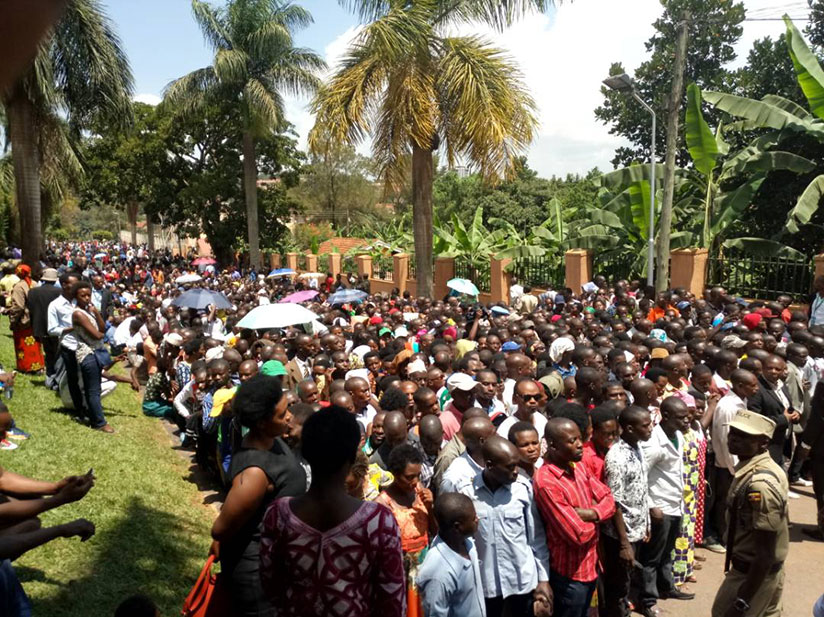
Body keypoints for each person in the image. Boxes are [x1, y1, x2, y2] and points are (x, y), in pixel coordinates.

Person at [260, 406, 405, 617]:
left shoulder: (278, 515)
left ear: (306, 453)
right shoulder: (379, 522)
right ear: (352, 457)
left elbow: (270, 585)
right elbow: (392, 602)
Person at [211, 375, 306, 617]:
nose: (289, 417)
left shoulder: (271, 440)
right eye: (282, 415)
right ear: (262, 423)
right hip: (257, 579)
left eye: (288, 409)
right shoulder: (254, 474)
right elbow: (220, 530)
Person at [456, 436, 551, 617]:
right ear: (490, 465)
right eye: (510, 467)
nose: (516, 471)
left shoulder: (523, 489)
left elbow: (536, 538)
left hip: (521, 582)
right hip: (486, 585)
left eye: (517, 465)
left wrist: (543, 579)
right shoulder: (467, 493)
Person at [533, 418, 615, 617]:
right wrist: (600, 519)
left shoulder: (578, 467)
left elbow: (609, 498)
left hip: (591, 565)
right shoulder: (547, 481)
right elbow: (578, 534)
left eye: (580, 438)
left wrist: (591, 513)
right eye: (572, 441)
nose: (580, 445)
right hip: (570, 576)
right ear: (553, 445)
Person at [711, 411, 788, 617]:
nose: (733, 439)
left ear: (763, 443)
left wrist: (742, 601)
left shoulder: (759, 485)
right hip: (761, 574)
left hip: (751, 576)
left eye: (744, 436)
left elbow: (765, 554)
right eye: (733, 433)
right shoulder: (759, 468)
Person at [637, 396, 693, 616]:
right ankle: (648, 600)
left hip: (675, 503)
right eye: (681, 417)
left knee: (668, 552)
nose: (686, 421)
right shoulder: (653, 443)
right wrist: (651, 505)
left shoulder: (677, 435)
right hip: (660, 507)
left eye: (687, 416)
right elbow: (642, 475)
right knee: (652, 557)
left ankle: (666, 586)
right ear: (666, 416)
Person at [602, 406, 653, 617]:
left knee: (628, 581)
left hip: (636, 530)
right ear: (630, 428)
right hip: (621, 536)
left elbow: (640, 489)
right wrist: (624, 544)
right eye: (646, 425)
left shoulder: (637, 448)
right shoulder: (617, 458)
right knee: (618, 586)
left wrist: (646, 523)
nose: (650, 428)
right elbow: (614, 503)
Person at [376, 444, 436, 617]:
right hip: (399, 574)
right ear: (395, 474)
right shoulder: (382, 504)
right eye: (409, 477)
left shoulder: (420, 493)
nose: (415, 481)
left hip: (425, 568)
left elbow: (434, 531)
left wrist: (430, 508)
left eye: (418, 475)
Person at [708, 369, 759, 551]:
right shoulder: (728, 407)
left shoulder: (740, 402)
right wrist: (735, 469)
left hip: (734, 464)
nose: (756, 389)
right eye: (753, 385)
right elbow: (725, 440)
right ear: (739, 385)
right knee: (725, 504)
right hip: (727, 465)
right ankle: (724, 537)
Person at [416, 493, 486, 617]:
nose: (477, 519)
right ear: (458, 527)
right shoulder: (437, 575)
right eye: (473, 518)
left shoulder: (467, 542)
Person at [71, 281, 114, 433]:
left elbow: (103, 328)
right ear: (76, 297)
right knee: (93, 390)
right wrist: (101, 334)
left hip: (96, 351)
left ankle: (93, 416)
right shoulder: (78, 314)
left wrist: (96, 313)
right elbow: (97, 335)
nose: (87, 298)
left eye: (88, 295)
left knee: (95, 387)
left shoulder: (89, 311)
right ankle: (99, 422)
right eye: (82, 296)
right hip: (87, 353)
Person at [48, 271, 85, 415]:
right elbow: (52, 329)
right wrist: (71, 328)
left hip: (86, 344)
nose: (78, 287)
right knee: (73, 378)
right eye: (74, 284)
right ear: (64, 285)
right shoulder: (55, 305)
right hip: (69, 346)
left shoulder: (81, 301)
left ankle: (88, 404)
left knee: (87, 377)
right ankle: (77, 408)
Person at [26, 268, 61, 385]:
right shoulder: (60, 292)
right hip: (56, 326)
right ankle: (56, 377)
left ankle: (50, 377)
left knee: (48, 352)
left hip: (40, 326)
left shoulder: (33, 292)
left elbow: (30, 309)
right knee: (57, 353)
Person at [8, 264, 44, 373]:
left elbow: (18, 306)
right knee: (36, 344)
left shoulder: (19, 287)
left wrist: (13, 319)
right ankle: (38, 365)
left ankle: (27, 367)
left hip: (24, 321)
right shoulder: (35, 284)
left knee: (24, 344)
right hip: (36, 319)